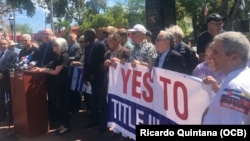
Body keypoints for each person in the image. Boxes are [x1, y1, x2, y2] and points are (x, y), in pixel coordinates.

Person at [203, 31, 250, 124]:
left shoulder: (234, 88)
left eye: (215, 52)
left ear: (235, 57)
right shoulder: (241, 78)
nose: (211, 57)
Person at [33, 37, 71, 134]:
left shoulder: (64, 56)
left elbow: (55, 72)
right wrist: (40, 68)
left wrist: (44, 70)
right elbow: (49, 65)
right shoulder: (56, 56)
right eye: (53, 45)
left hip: (62, 85)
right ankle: (63, 124)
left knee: (63, 105)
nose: (53, 47)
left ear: (61, 46)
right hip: (56, 84)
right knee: (60, 105)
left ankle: (67, 126)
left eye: (55, 45)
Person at [82, 28, 107, 132]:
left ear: (92, 35)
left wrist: (95, 75)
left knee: (102, 101)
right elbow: (86, 62)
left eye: (86, 35)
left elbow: (103, 63)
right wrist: (85, 76)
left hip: (100, 78)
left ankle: (103, 124)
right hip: (90, 78)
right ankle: (94, 120)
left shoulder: (101, 46)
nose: (84, 37)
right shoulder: (87, 47)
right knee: (93, 101)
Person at [0, 39, 17, 123]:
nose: (2, 45)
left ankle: (11, 117)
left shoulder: (13, 54)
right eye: (0, 44)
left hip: (7, 79)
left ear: (7, 45)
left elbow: (12, 65)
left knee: (10, 98)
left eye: (4, 44)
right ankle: (2, 116)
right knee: (1, 98)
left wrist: (2, 73)